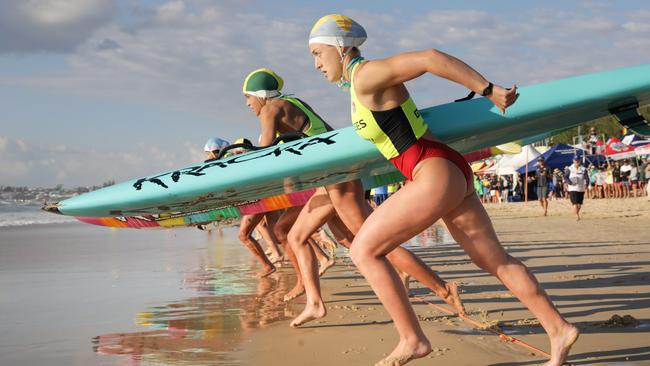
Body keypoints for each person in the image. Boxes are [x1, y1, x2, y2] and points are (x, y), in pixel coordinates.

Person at [308, 14, 577, 366]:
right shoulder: (359, 84)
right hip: (446, 169)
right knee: (492, 260)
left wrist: (488, 90)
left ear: (340, 47)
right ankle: (558, 329)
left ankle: (412, 339)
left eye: (317, 53)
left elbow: (430, 58)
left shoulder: (366, 75)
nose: (315, 64)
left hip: (431, 170)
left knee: (363, 251)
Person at [241, 68, 465, 317]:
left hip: (338, 179)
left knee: (374, 241)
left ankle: (443, 289)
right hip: (331, 180)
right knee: (295, 236)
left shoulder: (270, 109)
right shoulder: (291, 102)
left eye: (248, 98)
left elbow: (265, 155)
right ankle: (314, 303)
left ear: (259, 95)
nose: (248, 105)